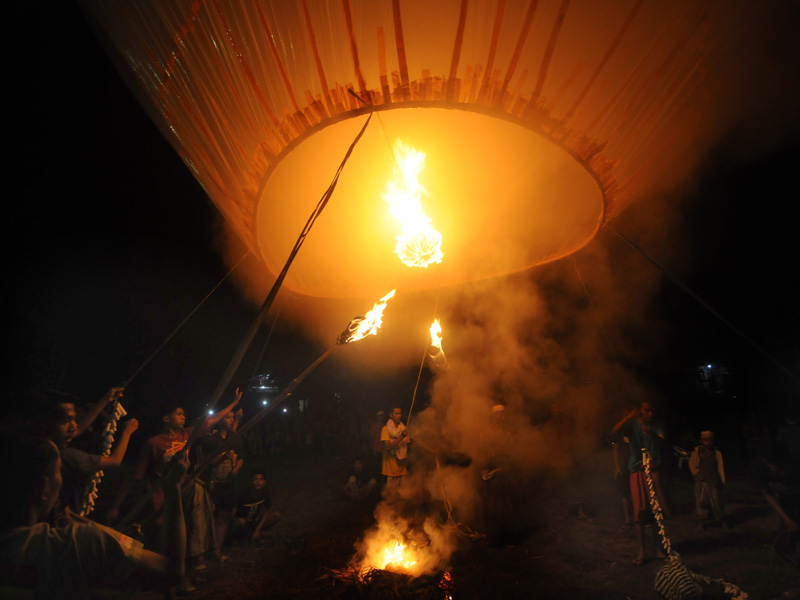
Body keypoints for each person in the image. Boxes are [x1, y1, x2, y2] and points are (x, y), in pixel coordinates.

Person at [0, 429, 187, 598]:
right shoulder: (73, 545)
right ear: (43, 488)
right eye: (58, 473)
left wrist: (114, 537)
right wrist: (173, 487)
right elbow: (171, 571)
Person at [107, 389, 242, 576]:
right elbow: (135, 478)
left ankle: (196, 559)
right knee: (166, 537)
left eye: (184, 414)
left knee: (194, 504)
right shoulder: (153, 444)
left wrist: (234, 403)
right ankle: (164, 575)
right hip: (161, 495)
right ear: (166, 419)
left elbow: (212, 420)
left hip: (183, 490)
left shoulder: (186, 435)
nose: (183, 417)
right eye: (178, 414)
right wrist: (115, 507)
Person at [34, 387, 139, 522]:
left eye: (74, 419)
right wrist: (127, 432)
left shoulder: (45, 445)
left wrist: (105, 400)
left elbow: (77, 430)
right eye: (67, 420)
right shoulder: (68, 456)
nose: (73, 426)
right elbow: (114, 461)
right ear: (46, 423)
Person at [612, 400, 670, 565]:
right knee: (640, 512)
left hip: (653, 470)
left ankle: (659, 550)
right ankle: (642, 551)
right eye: (647, 411)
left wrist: (652, 434)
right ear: (639, 411)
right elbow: (614, 432)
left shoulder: (657, 425)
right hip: (637, 472)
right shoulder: (632, 424)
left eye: (652, 411)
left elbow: (663, 443)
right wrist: (628, 416)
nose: (650, 414)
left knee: (657, 512)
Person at [194, 407, 244, 561]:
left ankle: (217, 551)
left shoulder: (235, 437)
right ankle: (201, 554)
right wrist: (223, 458)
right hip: (213, 483)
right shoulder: (211, 440)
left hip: (228, 483)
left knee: (225, 515)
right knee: (208, 517)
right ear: (220, 420)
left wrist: (235, 470)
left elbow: (241, 456)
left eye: (232, 418)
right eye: (227, 417)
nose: (230, 420)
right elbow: (208, 462)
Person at [689, 430, 729, 530]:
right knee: (701, 501)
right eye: (706, 440)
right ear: (702, 441)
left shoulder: (717, 453)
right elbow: (692, 463)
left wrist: (723, 481)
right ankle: (701, 521)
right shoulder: (697, 451)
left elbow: (720, 467)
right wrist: (696, 474)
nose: (708, 442)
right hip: (701, 481)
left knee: (716, 500)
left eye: (710, 440)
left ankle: (721, 520)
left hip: (713, 479)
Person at [230, 471, 281, 544]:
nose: (258, 482)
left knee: (276, 515)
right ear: (250, 482)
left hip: (255, 521)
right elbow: (234, 514)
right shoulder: (243, 495)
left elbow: (267, 511)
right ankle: (239, 538)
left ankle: (257, 533)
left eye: (261, 479)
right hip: (243, 523)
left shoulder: (265, 493)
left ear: (264, 482)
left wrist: (257, 529)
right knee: (238, 522)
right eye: (255, 479)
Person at [381, 407, 411, 490]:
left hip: (402, 467)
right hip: (391, 469)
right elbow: (388, 447)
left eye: (400, 413)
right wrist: (401, 436)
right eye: (396, 413)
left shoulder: (404, 428)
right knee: (390, 496)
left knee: (403, 494)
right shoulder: (385, 429)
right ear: (391, 415)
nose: (399, 416)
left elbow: (408, 446)